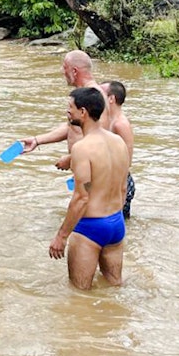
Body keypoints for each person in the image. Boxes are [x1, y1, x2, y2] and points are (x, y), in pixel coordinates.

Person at [48, 87, 130, 290]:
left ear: (83, 112)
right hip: (116, 223)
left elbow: (81, 198)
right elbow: (122, 186)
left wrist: (61, 236)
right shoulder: (118, 142)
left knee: (80, 294)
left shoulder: (82, 148)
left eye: (70, 108)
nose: (68, 112)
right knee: (114, 287)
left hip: (90, 227)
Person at [21, 50, 108, 159]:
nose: (62, 71)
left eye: (64, 67)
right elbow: (72, 127)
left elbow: (101, 136)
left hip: (90, 166)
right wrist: (37, 140)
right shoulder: (81, 94)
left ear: (74, 71)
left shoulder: (95, 96)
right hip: (80, 164)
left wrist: (70, 158)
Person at [101, 80, 136, 219]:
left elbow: (127, 159)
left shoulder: (121, 124)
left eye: (101, 93)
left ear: (111, 99)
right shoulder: (107, 120)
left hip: (119, 184)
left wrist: (118, 189)